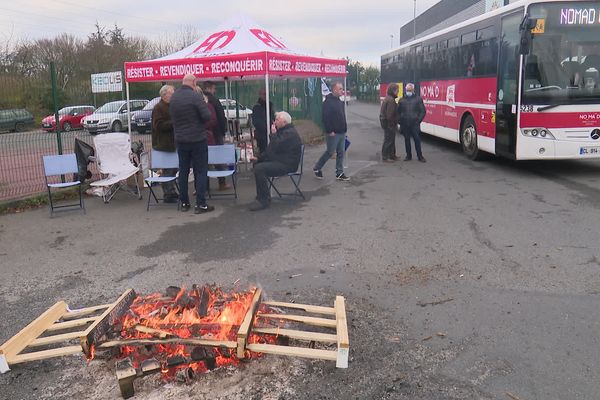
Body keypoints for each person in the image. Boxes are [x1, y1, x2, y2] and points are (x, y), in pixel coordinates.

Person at [169, 74, 215, 214]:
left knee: (183, 171)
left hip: (181, 140)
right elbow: (207, 116)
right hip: (197, 139)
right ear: (194, 82)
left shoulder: (174, 97)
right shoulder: (195, 96)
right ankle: (200, 204)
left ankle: (184, 202)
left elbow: (173, 117)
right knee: (200, 171)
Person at [248, 111, 302, 211]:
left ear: (284, 122)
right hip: (282, 161)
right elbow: (270, 150)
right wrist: (259, 158)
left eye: (277, 120)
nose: (274, 122)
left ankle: (264, 200)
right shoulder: (284, 132)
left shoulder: (289, 134)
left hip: (287, 164)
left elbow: (274, 146)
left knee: (260, 169)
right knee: (258, 166)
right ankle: (262, 195)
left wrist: (273, 135)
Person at [313, 81, 349, 181]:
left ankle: (339, 172)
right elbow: (325, 117)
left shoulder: (340, 102)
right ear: (334, 90)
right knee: (330, 152)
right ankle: (317, 167)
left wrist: (345, 128)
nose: (342, 91)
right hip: (333, 132)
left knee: (341, 152)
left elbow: (342, 116)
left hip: (341, 131)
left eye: (342, 88)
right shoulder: (328, 102)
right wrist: (329, 130)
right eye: (340, 89)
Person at [151, 84, 178, 203]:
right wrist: (173, 123)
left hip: (172, 143)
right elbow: (158, 125)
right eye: (172, 93)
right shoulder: (158, 108)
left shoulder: (171, 106)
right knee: (168, 169)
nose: (174, 95)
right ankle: (168, 194)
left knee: (173, 168)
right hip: (164, 144)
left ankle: (171, 191)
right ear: (164, 95)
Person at [202, 81, 230, 190]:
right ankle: (222, 183)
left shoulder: (200, 101)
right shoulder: (213, 100)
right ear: (209, 88)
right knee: (218, 158)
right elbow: (220, 117)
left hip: (203, 134)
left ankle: (204, 186)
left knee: (203, 160)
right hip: (215, 133)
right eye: (214, 88)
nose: (215, 91)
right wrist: (223, 132)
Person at [397, 83, 426, 162]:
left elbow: (422, 111)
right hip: (405, 124)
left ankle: (420, 156)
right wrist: (400, 121)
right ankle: (408, 156)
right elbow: (397, 112)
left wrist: (418, 120)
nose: (408, 91)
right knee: (407, 140)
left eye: (410, 90)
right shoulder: (401, 100)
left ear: (413, 90)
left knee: (417, 140)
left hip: (414, 124)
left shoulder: (418, 99)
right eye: (407, 90)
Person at [251, 88, 275, 156]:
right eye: (264, 94)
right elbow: (256, 122)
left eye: (266, 94)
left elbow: (272, 117)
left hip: (271, 133)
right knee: (263, 153)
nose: (265, 96)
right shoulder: (256, 107)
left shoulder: (270, 105)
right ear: (260, 95)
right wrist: (266, 128)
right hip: (261, 136)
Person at [379, 83, 399, 162]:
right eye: (397, 90)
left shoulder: (388, 98)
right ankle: (385, 157)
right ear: (393, 91)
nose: (398, 92)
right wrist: (392, 124)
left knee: (391, 139)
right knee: (388, 140)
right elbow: (389, 115)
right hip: (389, 124)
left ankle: (392, 155)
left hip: (386, 123)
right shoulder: (391, 100)